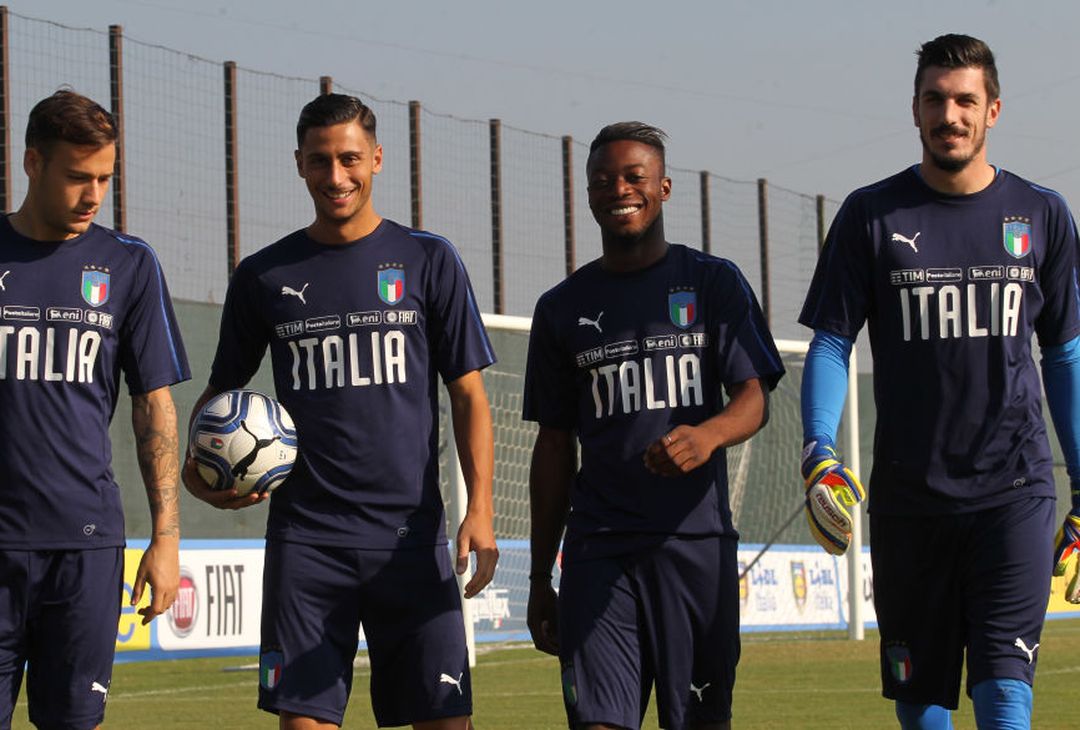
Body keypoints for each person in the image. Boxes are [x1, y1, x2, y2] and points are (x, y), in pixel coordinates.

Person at [182, 93, 498, 730]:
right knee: (303, 723)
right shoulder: (263, 276)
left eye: (350, 159)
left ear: (377, 159)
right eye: (320, 161)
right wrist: (201, 472)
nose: (336, 176)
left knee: (445, 722)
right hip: (308, 541)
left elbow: (469, 396)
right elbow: (220, 398)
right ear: (299, 164)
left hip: (411, 540)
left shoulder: (428, 259)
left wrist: (482, 508)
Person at [799, 33, 1080, 730]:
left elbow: (1067, 358)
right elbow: (832, 344)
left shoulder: (1042, 215)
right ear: (915, 109)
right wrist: (817, 450)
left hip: (1013, 492)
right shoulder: (871, 214)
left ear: (993, 112)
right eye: (935, 99)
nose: (949, 115)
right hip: (907, 497)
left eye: (964, 101)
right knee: (922, 708)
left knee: (1004, 690)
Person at [524, 122, 784, 730]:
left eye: (634, 177)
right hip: (598, 552)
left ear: (663, 188)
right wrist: (540, 577)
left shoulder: (713, 282)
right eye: (603, 180)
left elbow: (753, 397)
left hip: (694, 549)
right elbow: (554, 445)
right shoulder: (560, 307)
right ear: (588, 196)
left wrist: (709, 434)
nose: (619, 189)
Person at [0, 90, 188, 729]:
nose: (93, 194)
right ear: (32, 163)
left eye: (105, 178)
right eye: (78, 176)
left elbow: (154, 406)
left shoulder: (129, 265)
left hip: (85, 547)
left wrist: (166, 536)